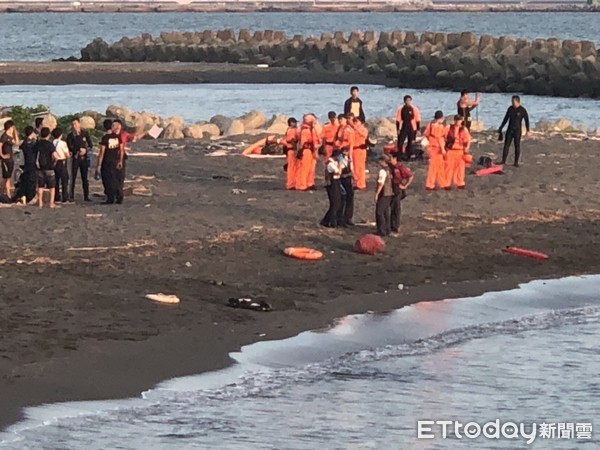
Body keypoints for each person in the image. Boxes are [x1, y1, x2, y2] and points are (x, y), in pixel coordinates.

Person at [95, 119, 124, 204]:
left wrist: (98, 165)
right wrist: (120, 161)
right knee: (115, 179)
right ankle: (119, 196)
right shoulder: (117, 137)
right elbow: (121, 150)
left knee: (107, 180)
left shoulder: (105, 138)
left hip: (107, 162)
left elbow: (102, 152)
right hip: (116, 160)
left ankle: (110, 198)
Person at [498, 95, 530, 167]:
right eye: (512, 101)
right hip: (510, 129)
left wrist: (528, 130)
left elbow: (526, 120)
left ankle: (516, 162)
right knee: (506, 145)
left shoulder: (522, 110)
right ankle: (503, 160)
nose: (512, 103)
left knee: (517, 146)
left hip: (517, 131)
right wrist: (501, 127)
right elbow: (506, 119)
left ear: (517, 101)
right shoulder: (510, 109)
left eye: (513, 102)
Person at [67, 117, 93, 202]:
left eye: (75, 124)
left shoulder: (85, 133)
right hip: (75, 158)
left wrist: (85, 150)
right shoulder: (70, 136)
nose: (74, 126)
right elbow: (70, 147)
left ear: (79, 124)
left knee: (85, 178)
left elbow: (90, 145)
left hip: (84, 158)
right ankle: (71, 195)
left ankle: (86, 196)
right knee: (73, 177)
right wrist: (77, 150)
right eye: (73, 124)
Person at [388, 152, 414, 235]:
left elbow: (410, 176)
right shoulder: (389, 167)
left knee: (396, 208)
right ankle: (391, 225)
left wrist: (405, 186)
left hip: (398, 188)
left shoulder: (400, 167)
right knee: (391, 207)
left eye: (390, 158)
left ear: (395, 158)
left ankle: (395, 226)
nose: (389, 159)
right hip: (391, 188)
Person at [444, 115, 472, 190]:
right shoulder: (448, 128)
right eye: (456, 120)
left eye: (459, 120)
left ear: (461, 120)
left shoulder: (464, 129)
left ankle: (460, 183)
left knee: (460, 168)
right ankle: (447, 183)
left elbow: (468, 140)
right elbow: (443, 137)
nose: (457, 121)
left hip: (460, 150)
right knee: (448, 168)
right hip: (450, 150)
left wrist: (467, 148)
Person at [423, 110, 449, 190]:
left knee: (435, 166)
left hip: (431, 147)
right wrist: (443, 149)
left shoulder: (430, 124)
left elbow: (426, 134)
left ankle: (438, 184)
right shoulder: (439, 127)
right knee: (438, 167)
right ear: (441, 118)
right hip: (437, 148)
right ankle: (433, 184)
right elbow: (440, 139)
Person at [296, 114, 321, 191]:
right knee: (305, 168)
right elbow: (305, 142)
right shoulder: (305, 130)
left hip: (310, 150)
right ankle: (302, 185)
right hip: (307, 150)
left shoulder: (308, 129)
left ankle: (309, 183)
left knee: (310, 168)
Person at [35, 127, 58, 209]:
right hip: (49, 167)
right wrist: (54, 162)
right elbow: (55, 156)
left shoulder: (37, 144)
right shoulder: (50, 144)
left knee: (40, 186)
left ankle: (40, 202)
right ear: (49, 134)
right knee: (52, 186)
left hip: (39, 167)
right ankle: (51, 203)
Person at [320, 150, 342, 228]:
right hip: (332, 185)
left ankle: (326, 220)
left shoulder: (334, 163)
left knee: (337, 203)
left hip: (336, 183)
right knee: (334, 204)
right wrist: (340, 164)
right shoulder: (330, 164)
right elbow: (338, 172)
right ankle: (332, 222)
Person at [395, 95, 421, 161]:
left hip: (412, 127)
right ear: (404, 101)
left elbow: (417, 119)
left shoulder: (414, 109)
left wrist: (418, 129)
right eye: (407, 101)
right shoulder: (401, 109)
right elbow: (398, 120)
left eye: (409, 101)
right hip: (404, 126)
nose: (408, 102)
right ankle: (399, 156)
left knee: (410, 142)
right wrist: (398, 129)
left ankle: (408, 155)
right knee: (400, 142)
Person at [17, 126, 39, 203]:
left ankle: (24, 196)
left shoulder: (24, 143)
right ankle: (30, 197)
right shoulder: (34, 144)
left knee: (26, 180)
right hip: (32, 164)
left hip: (25, 164)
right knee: (32, 181)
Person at [374, 155, 394, 237]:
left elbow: (381, 184)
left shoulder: (382, 171)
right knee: (386, 212)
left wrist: (377, 194)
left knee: (379, 212)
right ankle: (387, 229)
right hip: (389, 193)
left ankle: (381, 230)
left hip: (384, 193)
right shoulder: (389, 170)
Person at [1, 120, 19, 199]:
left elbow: (16, 142)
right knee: (6, 177)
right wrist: (2, 155)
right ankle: (3, 192)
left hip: (11, 158)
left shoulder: (10, 136)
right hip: (6, 159)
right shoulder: (4, 136)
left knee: (8, 176)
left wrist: (15, 132)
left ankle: (7, 193)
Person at [337, 144, 354, 227]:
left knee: (350, 199)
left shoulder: (349, 159)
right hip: (343, 180)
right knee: (343, 200)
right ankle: (341, 219)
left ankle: (348, 218)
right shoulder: (340, 159)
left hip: (348, 180)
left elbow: (351, 169)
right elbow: (340, 171)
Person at [52, 128, 70, 204]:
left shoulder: (52, 142)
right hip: (61, 161)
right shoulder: (63, 143)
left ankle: (56, 197)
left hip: (54, 162)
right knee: (64, 180)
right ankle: (65, 197)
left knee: (56, 180)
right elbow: (67, 154)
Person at [351, 115, 369, 190]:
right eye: (354, 121)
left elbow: (364, 135)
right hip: (354, 149)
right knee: (355, 167)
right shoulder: (353, 130)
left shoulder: (363, 129)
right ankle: (357, 182)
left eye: (357, 121)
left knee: (360, 167)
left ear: (361, 122)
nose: (355, 123)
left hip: (360, 150)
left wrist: (356, 128)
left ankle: (361, 183)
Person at [282, 117, 299, 190]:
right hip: (291, 150)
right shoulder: (291, 130)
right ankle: (290, 184)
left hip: (289, 150)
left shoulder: (289, 130)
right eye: (295, 122)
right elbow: (292, 140)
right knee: (291, 167)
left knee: (292, 167)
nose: (296, 124)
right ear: (291, 123)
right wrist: (296, 149)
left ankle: (292, 183)